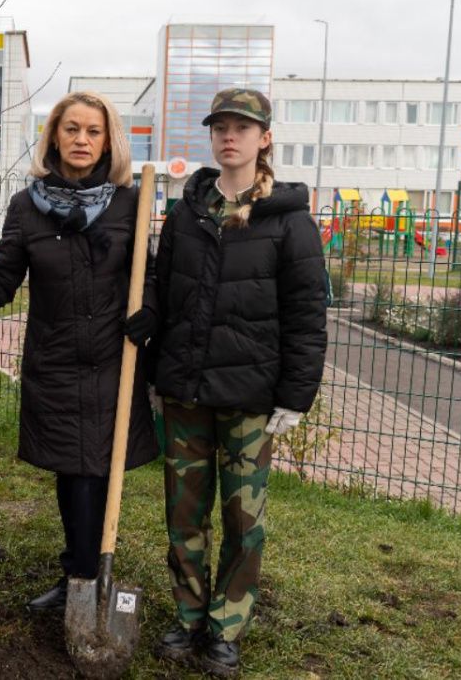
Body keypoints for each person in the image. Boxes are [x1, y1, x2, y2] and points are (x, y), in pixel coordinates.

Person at [0, 91, 158, 611]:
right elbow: (1, 280)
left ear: (107, 140)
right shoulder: (27, 207)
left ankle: (90, 575)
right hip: (56, 359)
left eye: (93, 131)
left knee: (97, 469)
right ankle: (77, 573)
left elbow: (153, 275)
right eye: (71, 129)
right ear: (53, 137)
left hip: (115, 361)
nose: (81, 140)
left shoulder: (130, 203)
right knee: (73, 470)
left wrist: (152, 312)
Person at [149, 88, 327, 677]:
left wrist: (296, 396)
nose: (230, 136)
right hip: (185, 394)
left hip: (250, 399)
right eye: (221, 126)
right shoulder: (187, 212)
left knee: (243, 521)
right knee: (184, 516)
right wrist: (154, 356)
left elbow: (306, 314)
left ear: (264, 138)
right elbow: (163, 292)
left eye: (243, 128)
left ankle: (227, 625)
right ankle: (188, 615)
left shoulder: (290, 222)